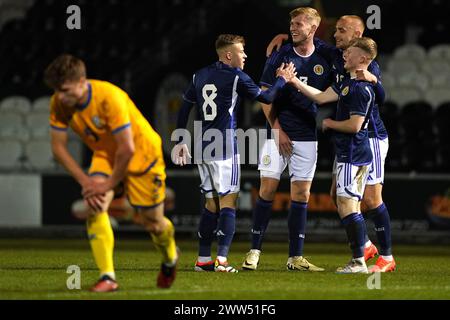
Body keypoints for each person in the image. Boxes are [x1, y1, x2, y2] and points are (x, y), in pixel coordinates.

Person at [266, 15, 396, 272]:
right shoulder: (338, 55)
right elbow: (310, 43)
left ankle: (386, 256)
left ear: (357, 35)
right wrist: (284, 38)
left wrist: (374, 83)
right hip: (347, 139)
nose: (335, 35)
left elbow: (379, 96)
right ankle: (364, 246)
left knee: (370, 199)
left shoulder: (365, 67)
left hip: (368, 138)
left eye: (341, 30)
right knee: (337, 196)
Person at [45, 54, 179, 292]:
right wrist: (86, 181)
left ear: (82, 81)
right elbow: (58, 148)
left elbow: (127, 149)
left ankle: (170, 256)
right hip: (106, 155)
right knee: (95, 205)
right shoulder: (59, 102)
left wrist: (107, 186)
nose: (61, 97)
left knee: (153, 223)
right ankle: (108, 277)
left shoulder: (109, 97)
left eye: (65, 90)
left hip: (142, 155)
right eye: (57, 91)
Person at [173, 34, 295, 273]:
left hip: (202, 145)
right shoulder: (236, 76)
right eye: (241, 51)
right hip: (224, 144)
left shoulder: (200, 74)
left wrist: (179, 139)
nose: (245, 55)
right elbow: (267, 97)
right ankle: (222, 261)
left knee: (211, 204)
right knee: (229, 201)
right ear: (229, 55)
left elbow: (185, 106)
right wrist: (282, 80)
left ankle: (203, 259)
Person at [241, 7, 334, 272]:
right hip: (277, 134)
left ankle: (295, 257)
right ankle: (254, 251)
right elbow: (264, 95)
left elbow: (350, 54)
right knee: (267, 190)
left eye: (298, 24)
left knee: (301, 194)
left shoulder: (326, 55)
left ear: (313, 28)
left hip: (307, 137)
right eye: (291, 24)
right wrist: (277, 129)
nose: (293, 28)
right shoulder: (280, 55)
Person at [289, 37, 378, 273]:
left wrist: (330, 122)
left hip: (353, 152)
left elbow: (355, 126)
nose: (345, 55)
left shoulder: (360, 88)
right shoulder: (348, 83)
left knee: (349, 205)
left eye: (351, 52)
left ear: (364, 59)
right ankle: (361, 250)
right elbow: (319, 97)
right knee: (343, 201)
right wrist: (294, 80)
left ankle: (359, 259)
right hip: (347, 152)